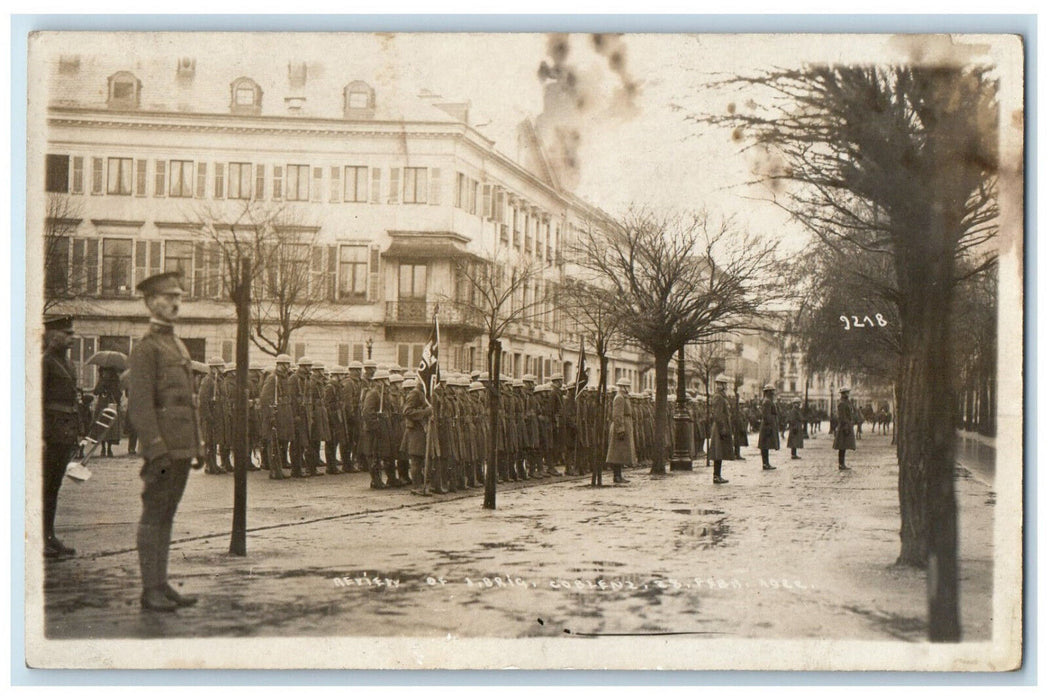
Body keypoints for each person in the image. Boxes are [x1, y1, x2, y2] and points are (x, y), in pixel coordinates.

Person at [126, 271, 203, 612]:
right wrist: (156, 449)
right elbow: (140, 407)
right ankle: (150, 589)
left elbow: (189, 401)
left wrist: (196, 445)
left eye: (179, 297)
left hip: (181, 448)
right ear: (149, 302)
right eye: (168, 297)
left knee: (167, 515)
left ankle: (161, 582)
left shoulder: (177, 344)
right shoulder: (147, 348)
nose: (175, 302)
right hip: (163, 451)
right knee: (154, 515)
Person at [42, 315, 81, 558]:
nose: (71, 338)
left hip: (63, 433)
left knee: (53, 487)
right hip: (49, 433)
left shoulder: (67, 364)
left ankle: (49, 535)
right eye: (66, 334)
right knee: (44, 486)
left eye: (71, 333)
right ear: (51, 335)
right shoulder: (44, 363)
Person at [603, 377, 635, 486]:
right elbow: (617, 415)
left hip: (625, 425)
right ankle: (616, 475)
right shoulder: (619, 398)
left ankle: (619, 475)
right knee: (616, 453)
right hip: (620, 427)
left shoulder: (624, 397)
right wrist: (620, 429)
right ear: (623, 387)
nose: (629, 388)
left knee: (621, 453)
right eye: (627, 386)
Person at [709, 376, 735, 484]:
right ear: (721, 385)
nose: (726, 386)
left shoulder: (721, 396)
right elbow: (718, 414)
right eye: (725, 384)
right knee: (718, 452)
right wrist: (723, 427)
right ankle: (716, 476)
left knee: (720, 452)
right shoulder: (718, 397)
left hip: (721, 426)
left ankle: (718, 475)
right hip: (719, 427)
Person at [757, 384, 780, 470]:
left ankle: (766, 463)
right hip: (767, 426)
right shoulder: (767, 401)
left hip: (768, 425)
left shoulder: (768, 401)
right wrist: (769, 427)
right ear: (768, 392)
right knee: (765, 445)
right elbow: (766, 415)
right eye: (772, 391)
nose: (773, 393)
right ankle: (765, 463)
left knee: (765, 445)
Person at [833, 387, 857, 470]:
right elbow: (842, 417)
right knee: (842, 446)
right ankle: (841, 464)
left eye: (848, 392)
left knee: (844, 446)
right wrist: (846, 425)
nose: (847, 394)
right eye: (846, 393)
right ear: (843, 394)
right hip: (844, 426)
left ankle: (842, 463)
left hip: (847, 425)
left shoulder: (847, 402)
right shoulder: (842, 403)